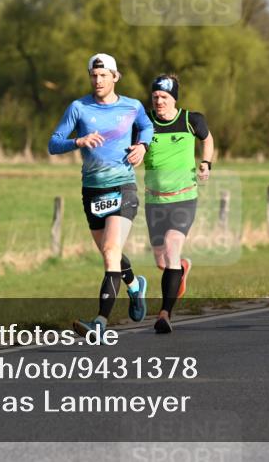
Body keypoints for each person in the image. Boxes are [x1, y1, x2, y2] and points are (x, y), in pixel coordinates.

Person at [48, 54, 154, 335]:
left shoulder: (132, 106)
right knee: (112, 254)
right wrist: (77, 141)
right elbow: (53, 143)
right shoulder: (79, 108)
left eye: (103, 75)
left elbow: (146, 126)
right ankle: (135, 287)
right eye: (93, 76)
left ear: (115, 77)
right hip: (92, 190)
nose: (98, 80)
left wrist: (142, 145)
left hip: (123, 186)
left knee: (110, 252)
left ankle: (100, 324)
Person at [142, 74, 214, 334]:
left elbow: (207, 139)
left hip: (184, 198)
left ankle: (164, 315)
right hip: (154, 200)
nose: (159, 102)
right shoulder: (144, 122)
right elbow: (133, 147)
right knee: (162, 261)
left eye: (164, 97)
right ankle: (182, 268)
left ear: (174, 99)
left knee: (172, 250)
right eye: (155, 97)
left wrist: (206, 163)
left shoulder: (191, 120)